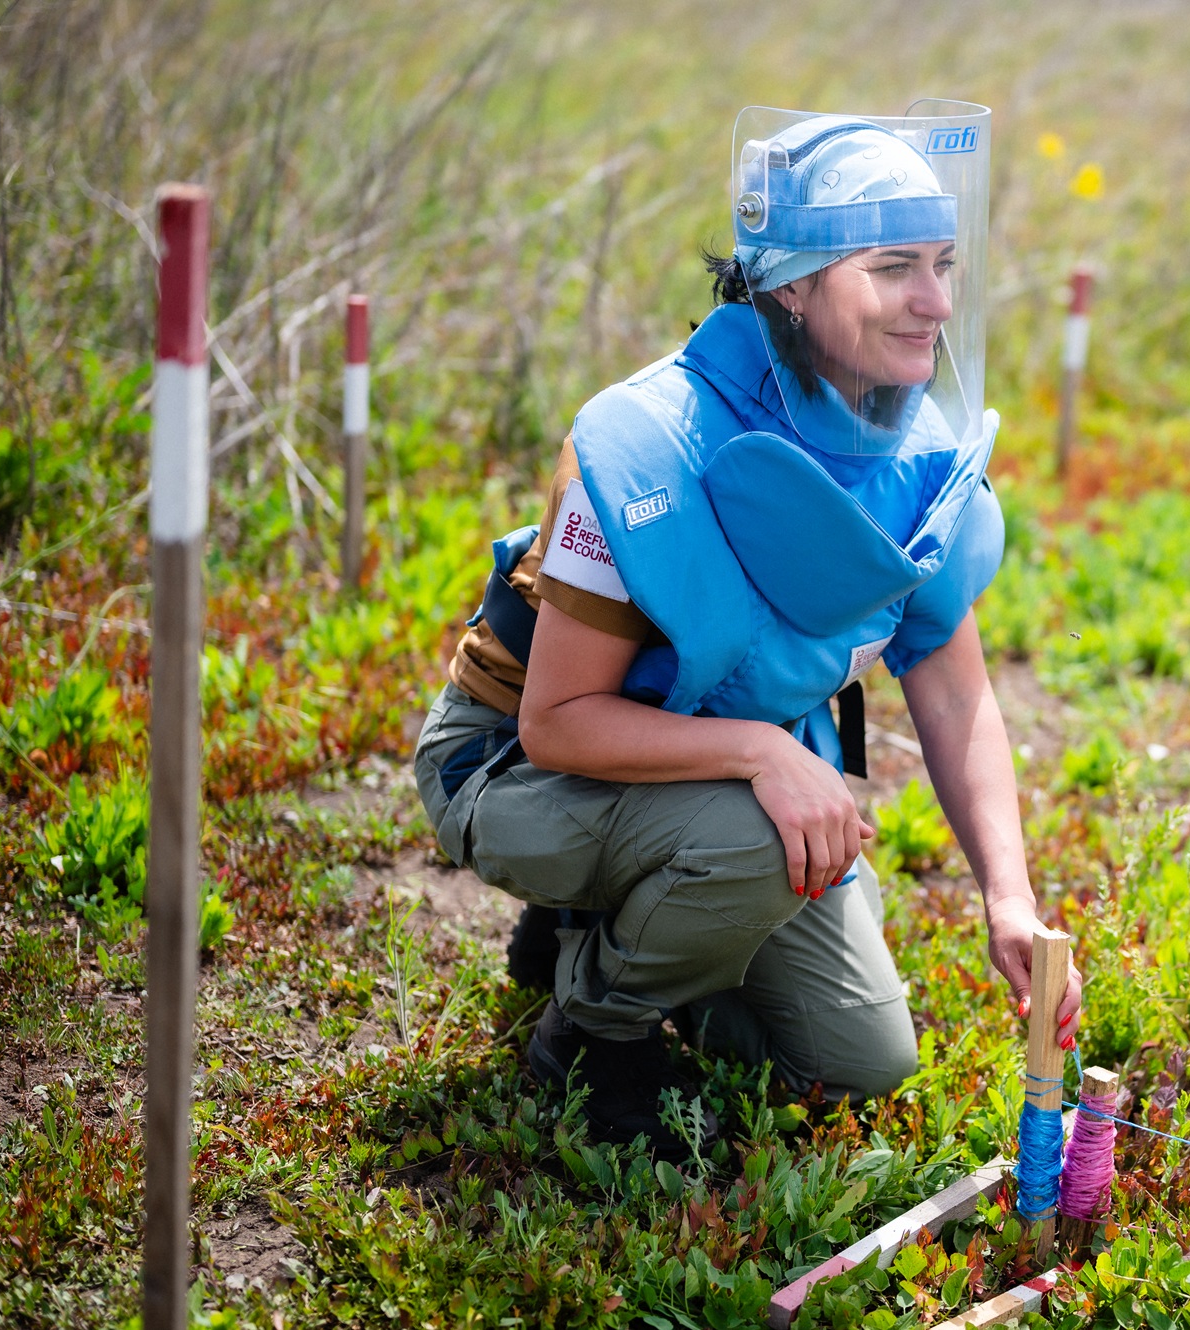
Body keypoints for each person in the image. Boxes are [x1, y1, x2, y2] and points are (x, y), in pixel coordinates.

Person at [413, 102, 1082, 1160]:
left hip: (700, 783)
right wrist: (763, 749)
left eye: (945, 263)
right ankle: (593, 1027)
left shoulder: (913, 455)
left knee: (860, 1062)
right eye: (892, 266)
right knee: (757, 842)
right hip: (514, 770)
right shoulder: (644, 449)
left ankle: (615, 923)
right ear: (790, 285)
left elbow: (954, 694)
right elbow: (557, 721)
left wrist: (1008, 896)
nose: (934, 302)